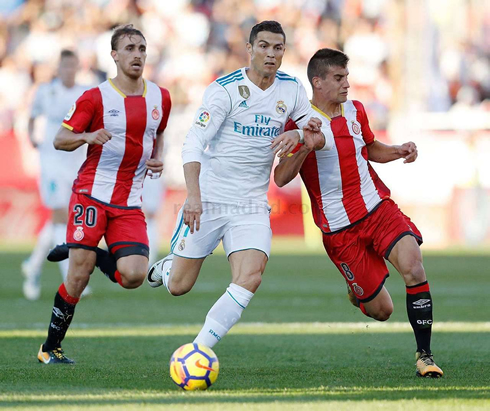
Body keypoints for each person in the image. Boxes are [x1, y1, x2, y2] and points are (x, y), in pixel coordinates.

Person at [147, 20, 333, 349]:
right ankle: (169, 267)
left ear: (284, 52)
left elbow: (320, 135)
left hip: (251, 204)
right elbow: (193, 144)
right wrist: (193, 196)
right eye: (263, 46)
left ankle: (198, 349)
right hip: (210, 198)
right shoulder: (225, 89)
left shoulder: (291, 90)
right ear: (249, 49)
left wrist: (301, 134)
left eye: (278, 48)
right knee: (178, 286)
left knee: (250, 276)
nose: (271, 54)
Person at [274, 48, 443, 378]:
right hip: (340, 231)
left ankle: (425, 355)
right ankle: (358, 291)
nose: (346, 84)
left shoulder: (356, 110)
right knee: (382, 311)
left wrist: (398, 150)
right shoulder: (299, 123)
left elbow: (370, 148)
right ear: (318, 82)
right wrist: (306, 146)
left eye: (347, 77)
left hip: (378, 209)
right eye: (339, 78)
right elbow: (281, 177)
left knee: (413, 266)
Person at [37, 24, 171, 364]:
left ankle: (85, 249)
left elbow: (159, 132)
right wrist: (87, 136)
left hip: (128, 202)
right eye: (129, 48)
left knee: (134, 276)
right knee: (77, 277)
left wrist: (158, 157)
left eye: (141, 48)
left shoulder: (161, 97)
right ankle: (49, 348)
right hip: (91, 194)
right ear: (114, 55)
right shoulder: (94, 98)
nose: (137, 54)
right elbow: (59, 139)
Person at [22, 50, 90, 301]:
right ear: (58, 67)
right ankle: (71, 277)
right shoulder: (45, 91)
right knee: (61, 216)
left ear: (77, 67)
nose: (68, 70)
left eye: (72, 66)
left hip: (75, 163)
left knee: (64, 219)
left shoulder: (86, 92)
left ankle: (33, 266)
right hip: (51, 162)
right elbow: (31, 118)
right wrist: (33, 139)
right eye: (65, 66)